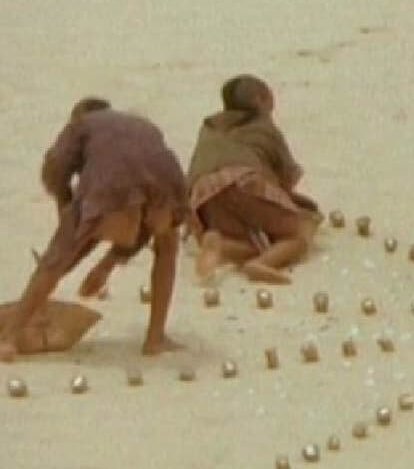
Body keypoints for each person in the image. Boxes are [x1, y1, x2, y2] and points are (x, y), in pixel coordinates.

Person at [0, 98, 187, 360]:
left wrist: (67, 212)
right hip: (170, 181)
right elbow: (140, 213)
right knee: (166, 246)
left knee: (55, 261)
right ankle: (155, 338)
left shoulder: (81, 123)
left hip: (111, 182)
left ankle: (8, 338)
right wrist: (106, 265)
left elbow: (54, 169)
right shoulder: (140, 124)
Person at [187, 75, 319, 285]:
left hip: (204, 193)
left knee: (255, 241)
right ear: (260, 100)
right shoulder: (265, 128)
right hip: (246, 182)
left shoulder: (209, 127)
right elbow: (286, 179)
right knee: (298, 234)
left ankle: (220, 245)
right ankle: (263, 264)